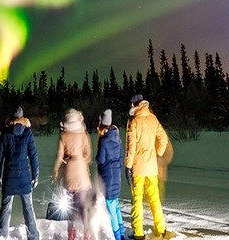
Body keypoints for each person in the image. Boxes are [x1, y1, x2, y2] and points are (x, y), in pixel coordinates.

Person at [125, 94, 170, 239]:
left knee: (137, 200)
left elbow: (131, 147)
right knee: (154, 199)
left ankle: (138, 233)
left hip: (138, 167)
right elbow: (163, 139)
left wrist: (128, 166)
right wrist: (157, 154)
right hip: (151, 167)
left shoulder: (133, 121)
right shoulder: (153, 118)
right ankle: (161, 229)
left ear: (134, 105)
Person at [0, 106, 40, 240]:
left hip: (9, 177)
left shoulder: (5, 132)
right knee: (28, 209)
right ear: (22, 117)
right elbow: (33, 155)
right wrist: (35, 176)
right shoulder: (27, 132)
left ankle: (1, 235)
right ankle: (33, 236)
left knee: (6, 208)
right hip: (24, 177)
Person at [52, 108, 93, 240]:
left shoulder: (63, 136)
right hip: (81, 172)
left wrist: (55, 170)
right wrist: (82, 162)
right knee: (83, 206)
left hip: (69, 172)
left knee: (71, 206)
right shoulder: (84, 134)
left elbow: (59, 156)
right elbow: (88, 155)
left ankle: (71, 233)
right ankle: (87, 233)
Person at [96, 108, 125, 240]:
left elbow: (101, 159)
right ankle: (122, 233)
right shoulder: (117, 137)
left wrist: (97, 158)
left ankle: (117, 236)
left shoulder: (104, 140)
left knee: (111, 209)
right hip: (116, 176)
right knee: (116, 205)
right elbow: (120, 158)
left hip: (107, 177)